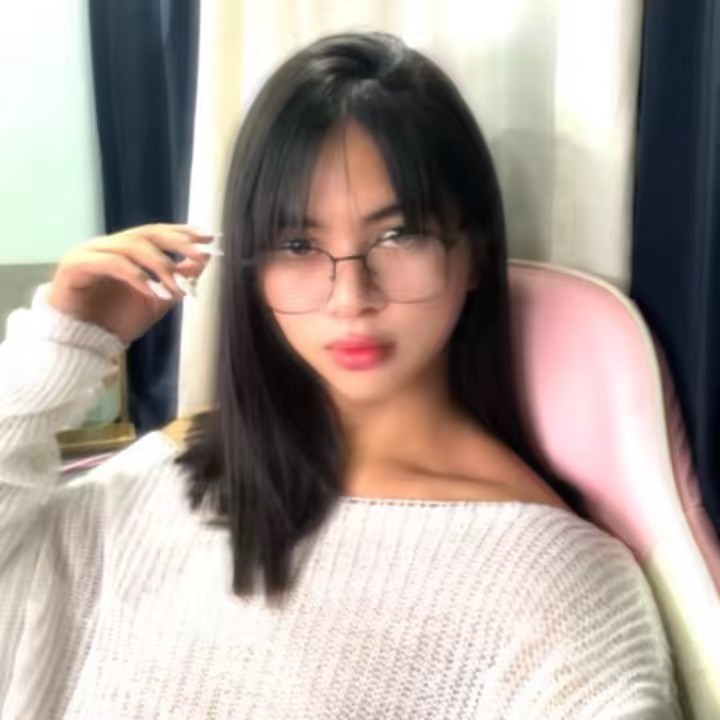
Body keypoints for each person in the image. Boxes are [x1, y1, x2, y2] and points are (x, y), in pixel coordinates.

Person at [0, 32, 680, 719]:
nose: (350, 297)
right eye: (298, 244)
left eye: (399, 236)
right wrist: (60, 347)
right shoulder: (176, 476)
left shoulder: (554, 584)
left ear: (474, 253)